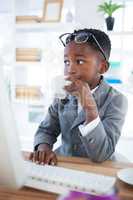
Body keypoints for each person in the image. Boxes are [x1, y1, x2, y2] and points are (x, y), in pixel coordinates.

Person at [30, 28, 128, 165]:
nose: (70, 69)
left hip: (96, 168)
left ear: (103, 67)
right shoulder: (63, 94)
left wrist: (89, 106)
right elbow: (46, 130)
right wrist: (43, 148)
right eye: (66, 62)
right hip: (64, 162)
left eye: (80, 61)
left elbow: (102, 153)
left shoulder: (116, 100)